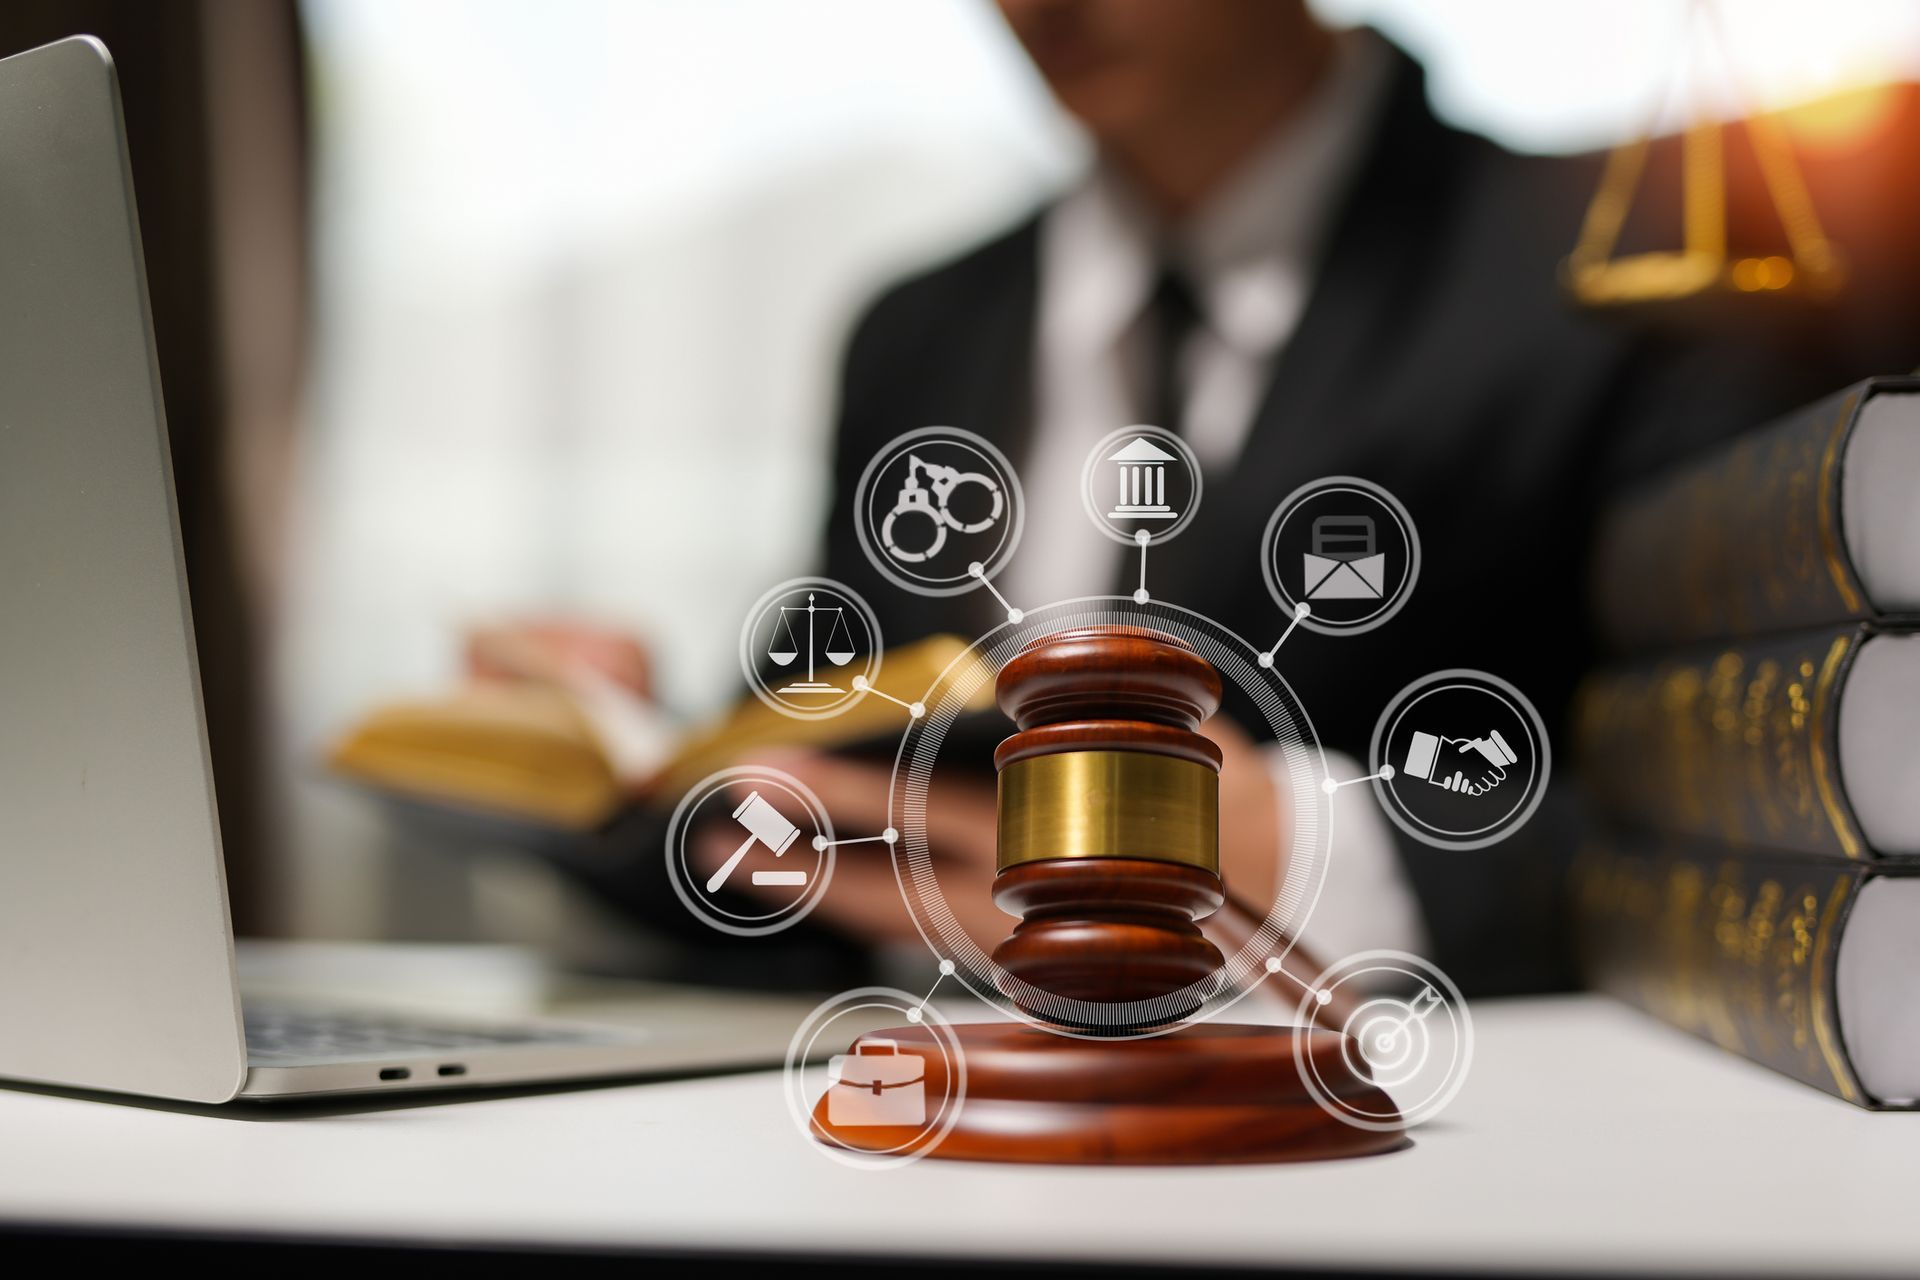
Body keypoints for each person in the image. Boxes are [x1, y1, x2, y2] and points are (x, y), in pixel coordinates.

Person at [502, 1, 1838, 995]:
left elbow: (1790, 802)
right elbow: (867, 796)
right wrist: (631, 755)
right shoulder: (917, 332)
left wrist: (1335, 863)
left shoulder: (1633, 276)